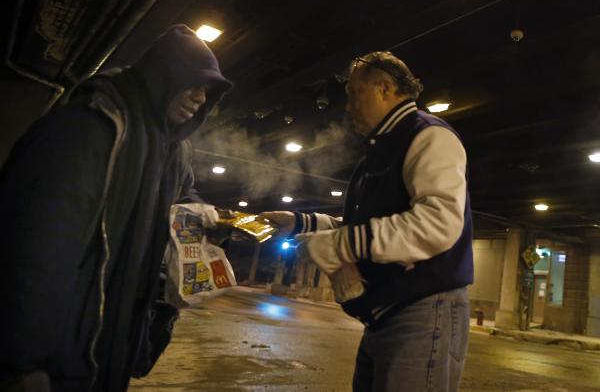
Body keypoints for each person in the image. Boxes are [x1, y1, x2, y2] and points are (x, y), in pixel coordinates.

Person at [0, 25, 232, 392]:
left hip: (113, 339)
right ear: (161, 77)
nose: (201, 98)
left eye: (209, 91)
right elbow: (34, 250)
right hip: (61, 350)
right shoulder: (90, 129)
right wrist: (20, 362)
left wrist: (204, 214)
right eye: (193, 83)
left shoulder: (173, 150)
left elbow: (185, 195)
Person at [264, 51, 473, 392]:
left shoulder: (429, 135)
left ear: (385, 87)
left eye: (353, 95)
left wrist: (340, 245)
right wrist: (300, 223)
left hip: (422, 311)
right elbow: (363, 227)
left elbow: (438, 224)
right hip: (387, 313)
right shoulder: (379, 152)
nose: (348, 107)